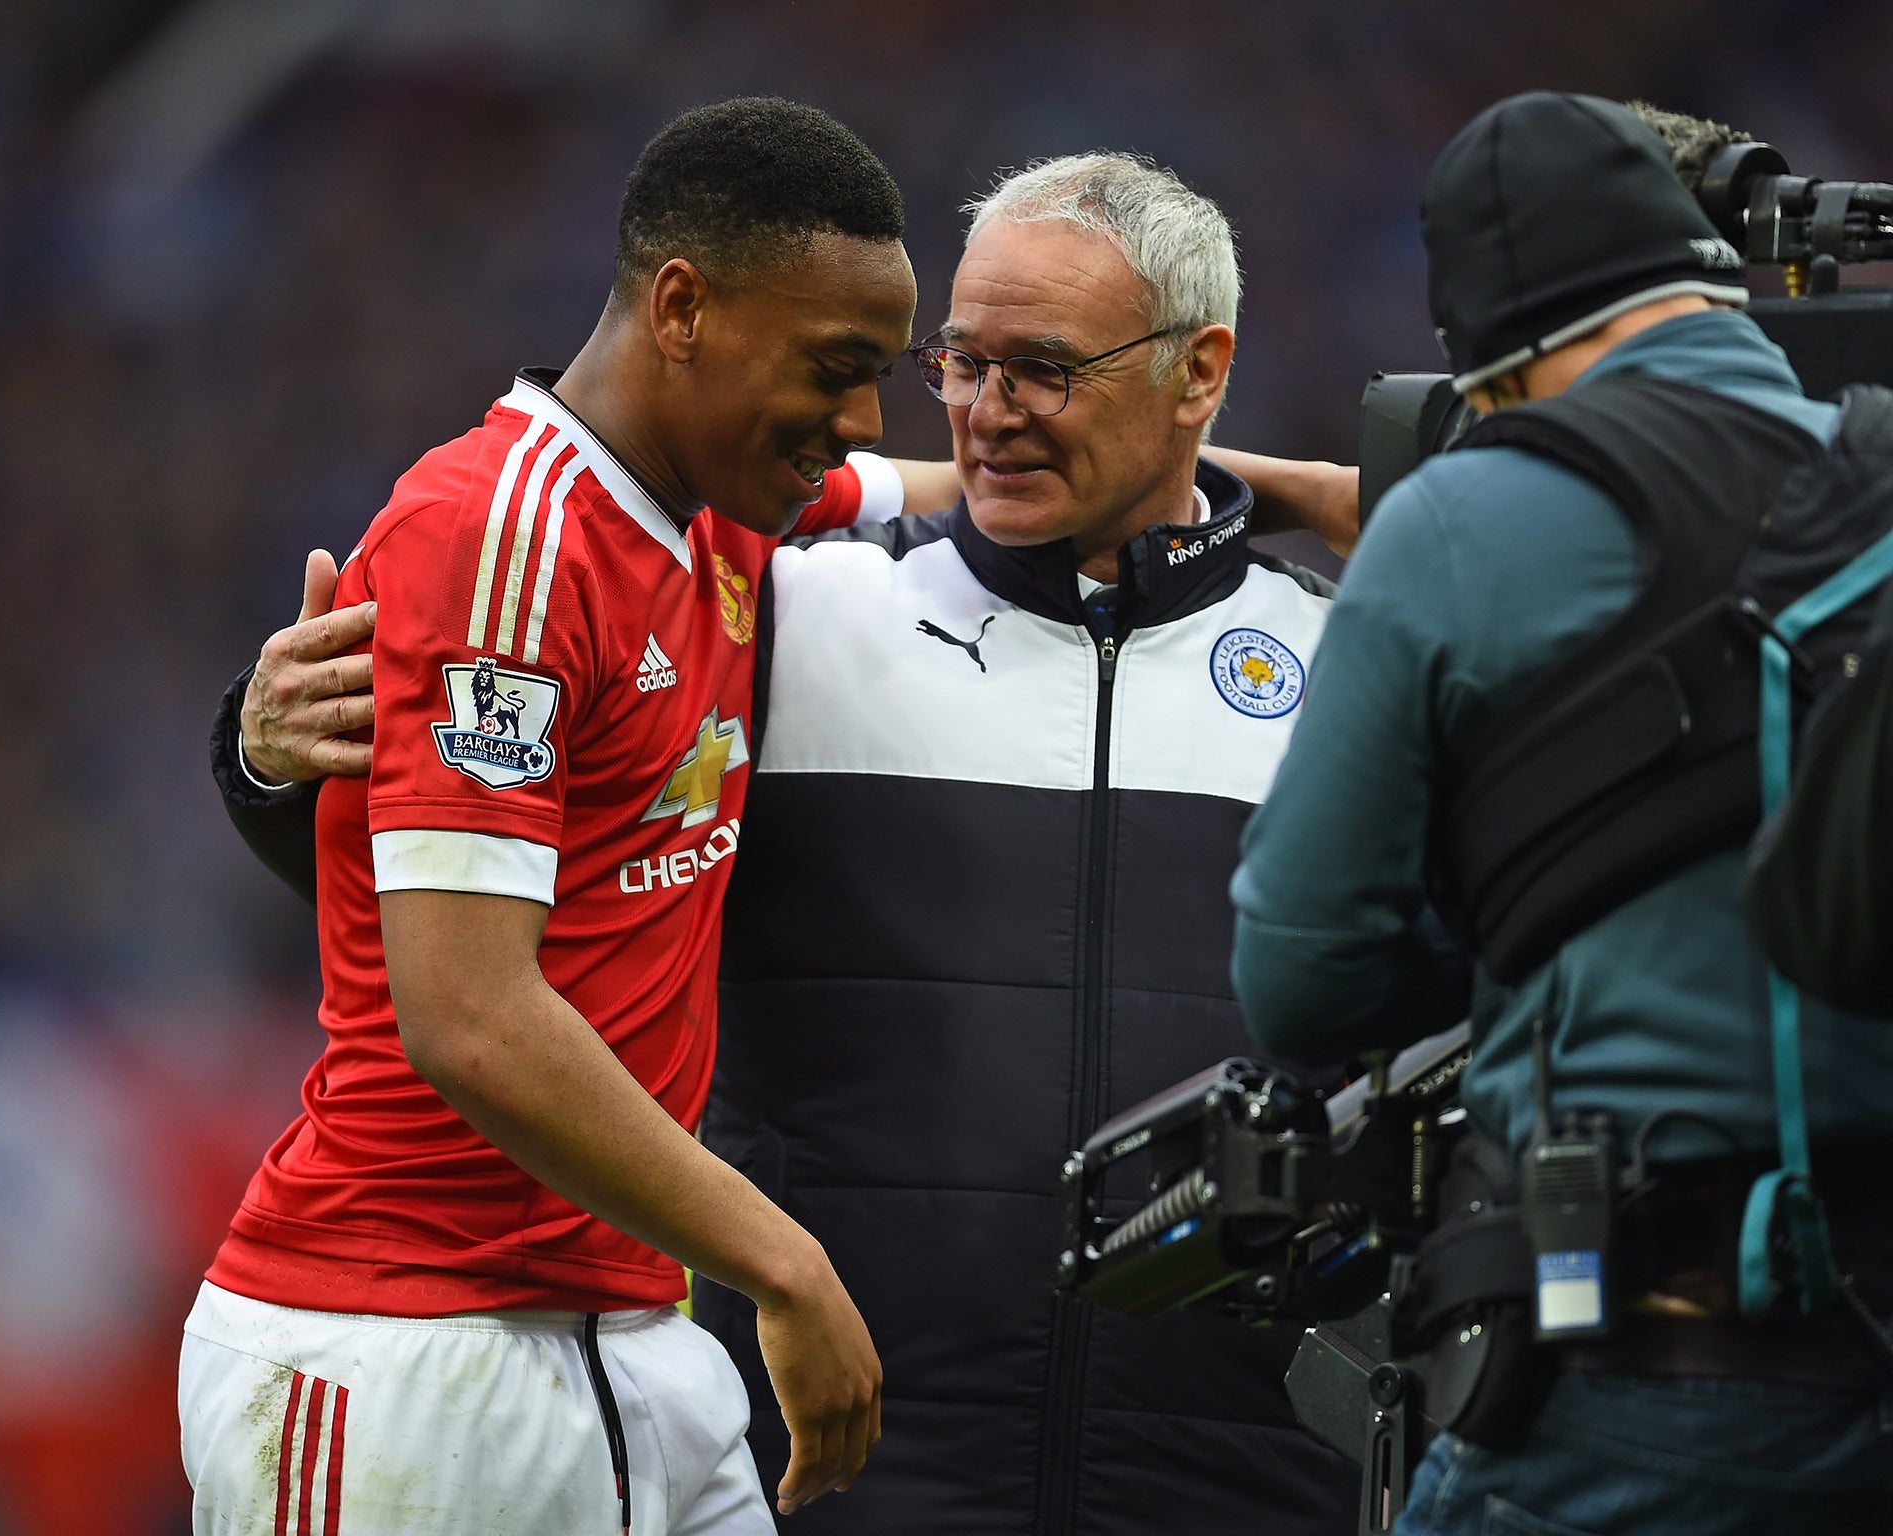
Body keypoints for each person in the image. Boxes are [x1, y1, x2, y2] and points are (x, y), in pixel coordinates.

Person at [221, 151, 1361, 1534]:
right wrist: (267, 755)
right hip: (820, 1462)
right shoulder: (793, 594)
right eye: (963, 362)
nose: (978, 415)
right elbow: (476, 902)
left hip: (1228, 1483)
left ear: (1199, 370)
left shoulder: (1355, 669)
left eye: (1043, 370)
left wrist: (1304, 493)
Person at [180, 96, 919, 1536]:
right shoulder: (504, 536)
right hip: (406, 1352)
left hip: (634, 1340)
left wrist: (1292, 496)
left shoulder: (716, 511)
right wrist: (787, 1266)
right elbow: (470, 1018)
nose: (863, 419)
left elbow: (985, 497)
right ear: (685, 308)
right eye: (839, 368)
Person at [1230, 92, 1893, 1536]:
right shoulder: (1883, 480)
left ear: (1498, 360)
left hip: (1639, 1362)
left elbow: (1298, 972)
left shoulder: (1464, 516)